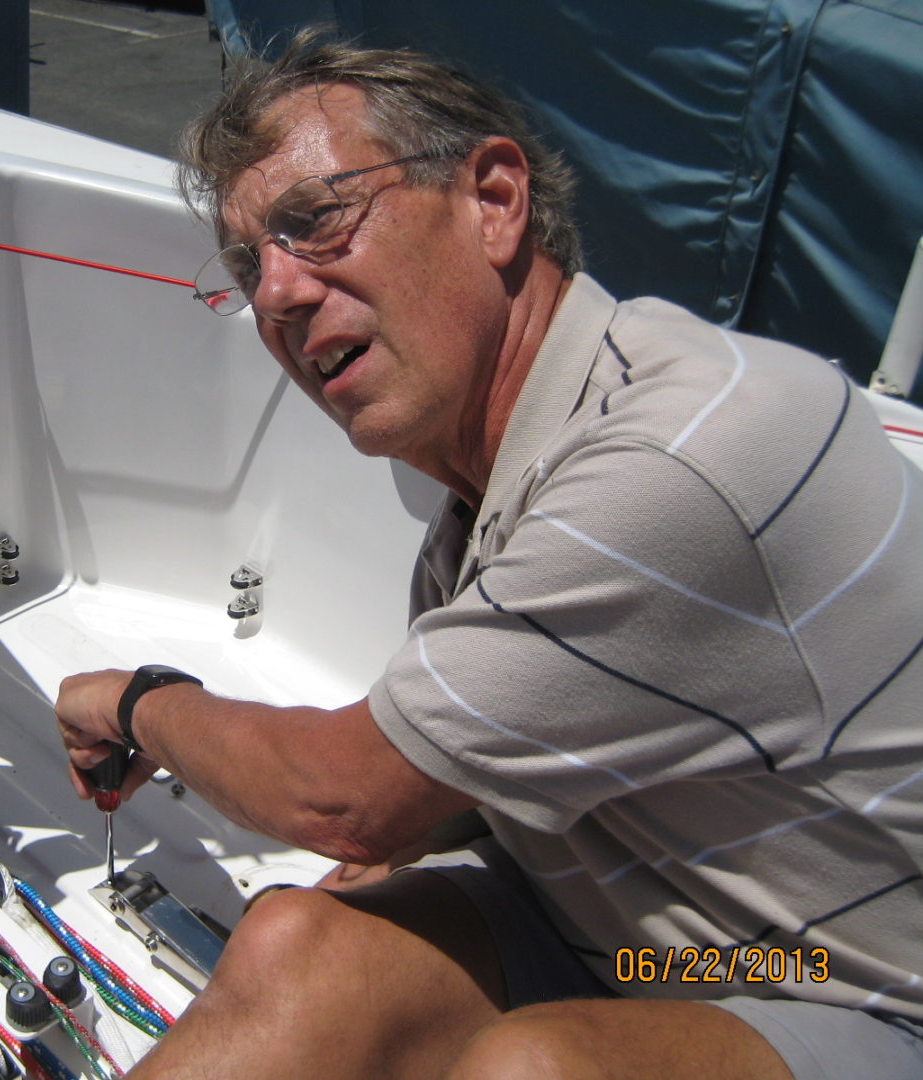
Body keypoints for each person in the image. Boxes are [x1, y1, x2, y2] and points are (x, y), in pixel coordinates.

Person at [55, 31, 923, 1080]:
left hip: (843, 991)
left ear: (496, 201)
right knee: (298, 942)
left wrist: (139, 700)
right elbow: (433, 793)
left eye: (314, 220)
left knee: (537, 1070)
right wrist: (394, 845)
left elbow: (338, 795)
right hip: (641, 947)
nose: (275, 294)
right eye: (249, 262)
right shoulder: (482, 513)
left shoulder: (681, 455)